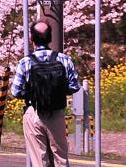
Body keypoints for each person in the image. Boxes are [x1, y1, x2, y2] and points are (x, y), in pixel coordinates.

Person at [10, 19, 81, 167]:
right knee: (61, 159)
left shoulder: (25, 62)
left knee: (40, 161)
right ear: (50, 37)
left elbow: (16, 91)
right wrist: (57, 91)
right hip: (56, 113)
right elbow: (74, 86)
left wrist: (34, 93)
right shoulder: (64, 59)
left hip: (34, 112)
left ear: (31, 38)